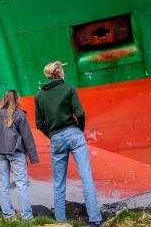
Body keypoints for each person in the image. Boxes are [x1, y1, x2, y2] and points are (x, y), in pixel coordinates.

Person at [35, 61, 102, 227]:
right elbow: (80, 113)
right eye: (63, 72)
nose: (64, 74)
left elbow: (39, 123)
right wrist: (79, 130)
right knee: (86, 178)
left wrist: (51, 135)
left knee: (58, 183)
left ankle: (61, 222)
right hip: (74, 134)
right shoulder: (69, 88)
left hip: (56, 138)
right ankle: (94, 220)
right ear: (58, 74)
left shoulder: (38, 97)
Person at [0, 90, 39, 220]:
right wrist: (33, 157)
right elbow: (27, 136)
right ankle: (27, 217)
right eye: (19, 98)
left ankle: (8, 215)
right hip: (16, 152)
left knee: (3, 185)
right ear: (16, 99)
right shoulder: (19, 114)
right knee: (21, 183)